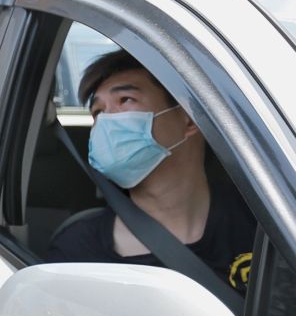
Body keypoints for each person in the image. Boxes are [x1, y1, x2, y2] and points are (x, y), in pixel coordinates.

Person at [46, 49, 256, 294]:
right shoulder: (76, 253)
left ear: (189, 120)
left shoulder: (261, 223)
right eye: (98, 112)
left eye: (125, 100)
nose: (105, 122)